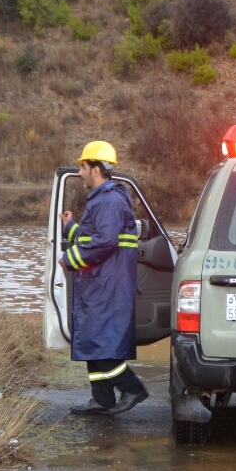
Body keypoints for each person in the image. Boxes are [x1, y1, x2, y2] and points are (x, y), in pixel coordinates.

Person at [60, 141, 150, 415]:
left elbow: (105, 243)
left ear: (96, 169)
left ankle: (133, 389)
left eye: (83, 167)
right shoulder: (103, 199)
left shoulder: (109, 200)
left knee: (101, 343)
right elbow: (95, 237)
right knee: (92, 340)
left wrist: (70, 259)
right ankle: (102, 399)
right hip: (98, 282)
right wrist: (72, 228)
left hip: (106, 284)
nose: (79, 173)